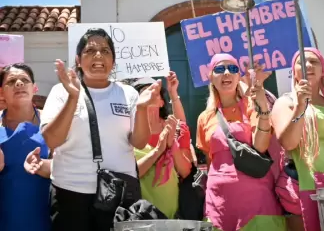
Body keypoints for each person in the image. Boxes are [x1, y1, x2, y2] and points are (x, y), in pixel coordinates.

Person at [40, 28, 161, 231]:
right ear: (78, 60)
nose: (98, 55)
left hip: (119, 195)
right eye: (90, 50)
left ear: (113, 61)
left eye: (105, 51)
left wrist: (141, 108)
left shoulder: (128, 93)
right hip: (70, 193)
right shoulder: (60, 92)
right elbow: (52, 140)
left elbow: (139, 142)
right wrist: (73, 96)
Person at [196, 53, 286, 231]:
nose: (227, 73)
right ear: (210, 76)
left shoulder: (252, 106)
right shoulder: (204, 118)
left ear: (239, 76)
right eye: (220, 69)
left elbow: (260, 146)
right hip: (219, 203)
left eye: (233, 68)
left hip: (255, 200)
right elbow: (210, 160)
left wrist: (262, 108)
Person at [271, 48, 324, 231]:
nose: (308, 65)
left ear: (323, 69)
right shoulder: (286, 103)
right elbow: (289, 143)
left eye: (314, 62)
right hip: (302, 187)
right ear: (294, 70)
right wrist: (300, 106)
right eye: (302, 62)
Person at [130, 75, 192, 218]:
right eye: (144, 93)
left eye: (154, 92)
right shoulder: (126, 132)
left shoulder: (177, 128)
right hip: (139, 214)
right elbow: (130, 174)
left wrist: (172, 145)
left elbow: (185, 171)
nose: (149, 97)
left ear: (162, 102)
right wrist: (158, 150)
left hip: (173, 213)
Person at [0, 63, 51, 231]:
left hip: (44, 217)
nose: (19, 83)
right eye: (11, 81)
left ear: (34, 88)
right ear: (1, 92)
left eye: (24, 80)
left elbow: (67, 164)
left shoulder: (52, 123)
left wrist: (44, 165)